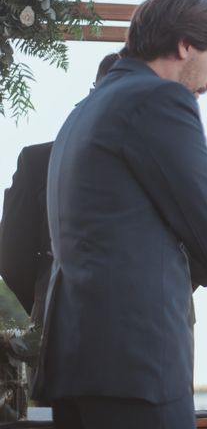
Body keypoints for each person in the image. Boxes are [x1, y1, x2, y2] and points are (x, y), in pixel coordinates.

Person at [32, 0, 207, 429]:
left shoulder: (86, 110)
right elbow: (205, 212)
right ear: (185, 45)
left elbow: (132, 232)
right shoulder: (157, 98)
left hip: (78, 366)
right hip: (136, 366)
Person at [0, 53, 120, 330]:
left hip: (150, 334)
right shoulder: (38, 162)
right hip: (60, 325)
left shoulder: (159, 166)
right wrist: (46, 298)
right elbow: (11, 255)